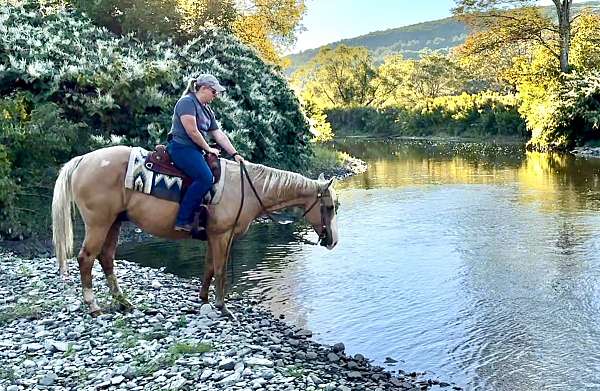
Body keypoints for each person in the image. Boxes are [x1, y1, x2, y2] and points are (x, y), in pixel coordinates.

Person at [167, 73, 245, 232]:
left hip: (194, 149)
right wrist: (208, 149)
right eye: (214, 92)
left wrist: (235, 154)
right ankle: (183, 220)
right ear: (203, 88)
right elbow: (192, 131)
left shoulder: (207, 110)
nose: (216, 95)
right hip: (181, 147)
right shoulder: (187, 102)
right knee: (205, 177)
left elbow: (219, 135)